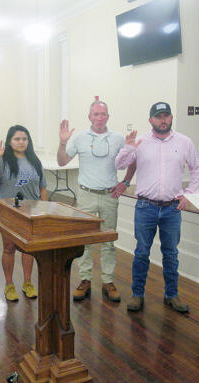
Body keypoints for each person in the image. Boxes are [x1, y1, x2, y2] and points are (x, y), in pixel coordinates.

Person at [115, 101, 199, 313]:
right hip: (145, 207)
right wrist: (128, 148)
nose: (163, 120)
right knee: (142, 252)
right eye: (158, 116)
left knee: (171, 254)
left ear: (171, 118)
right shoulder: (140, 142)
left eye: (166, 116)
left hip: (172, 209)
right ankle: (137, 294)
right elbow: (119, 165)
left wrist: (190, 195)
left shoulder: (184, 142)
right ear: (150, 120)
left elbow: (197, 167)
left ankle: (171, 295)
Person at [58, 98, 136, 303]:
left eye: (103, 114)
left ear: (108, 117)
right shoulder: (80, 138)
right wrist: (63, 142)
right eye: (95, 114)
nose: (99, 118)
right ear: (89, 117)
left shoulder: (119, 139)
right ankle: (85, 280)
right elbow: (62, 161)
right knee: (85, 240)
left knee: (108, 241)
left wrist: (125, 182)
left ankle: (108, 281)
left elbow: (133, 160)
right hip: (86, 195)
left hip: (110, 196)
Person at [0, 125, 48, 302]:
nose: (21, 142)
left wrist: (44, 209)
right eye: (17, 139)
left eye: (24, 139)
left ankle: (27, 283)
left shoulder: (35, 161)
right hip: (8, 211)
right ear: (10, 141)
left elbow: (43, 187)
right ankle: (9, 284)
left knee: (28, 249)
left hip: (32, 211)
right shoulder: (3, 160)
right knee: (9, 248)